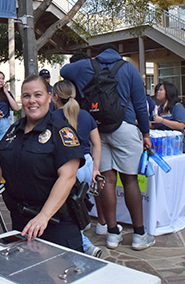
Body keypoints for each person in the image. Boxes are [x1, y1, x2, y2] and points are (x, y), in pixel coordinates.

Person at [60, 43, 155, 251]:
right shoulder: (129, 69)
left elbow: (64, 71)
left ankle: (112, 233)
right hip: (125, 128)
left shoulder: (86, 65)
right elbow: (140, 104)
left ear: (99, 53)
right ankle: (139, 235)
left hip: (97, 130)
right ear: (117, 54)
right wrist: (146, 134)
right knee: (130, 180)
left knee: (106, 180)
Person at [0, 75, 84, 250]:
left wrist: (44, 216)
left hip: (55, 223)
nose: (32, 101)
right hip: (21, 220)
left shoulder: (61, 131)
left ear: (49, 97)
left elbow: (68, 177)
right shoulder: (13, 130)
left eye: (38, 95)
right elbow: (1, 162)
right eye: (26, 96)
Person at [51, 79, 103, 257]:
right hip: (87, 163)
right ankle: (83, 234)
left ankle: (84, 244)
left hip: (68, 166)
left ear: (55, 97)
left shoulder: (52, 118)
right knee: (79, 205)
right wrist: (95, 168)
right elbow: (97, 143)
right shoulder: (86, 116)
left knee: (67, 212)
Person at [151, 81, 185, 153]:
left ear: (168, 92)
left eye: (161, 90)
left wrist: (162, 120)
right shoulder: (159, 108)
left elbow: (181, 125)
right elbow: (153, 125)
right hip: (163, 145)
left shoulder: (177, 107)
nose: (158, 92)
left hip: (176, 146)